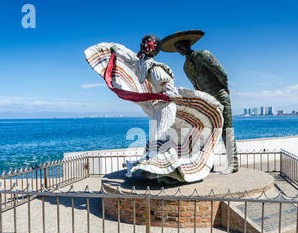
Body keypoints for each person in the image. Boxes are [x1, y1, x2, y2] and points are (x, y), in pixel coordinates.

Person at [84, 35, 224, 183]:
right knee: (161, 138)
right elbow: (167, 89)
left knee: (161, 138)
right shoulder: (154, 67)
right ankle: (161, 171)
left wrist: (116, 50)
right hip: (163, 107)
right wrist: (187, 97)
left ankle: (162, 171)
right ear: (156, 51)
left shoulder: (141, 65)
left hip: (161, 107)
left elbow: (129, 58)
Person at [160, 30, 239, 174]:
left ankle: (233, 164)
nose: (181, 49)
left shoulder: (203, 55)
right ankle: (208, 164)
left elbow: (222, 73)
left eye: (183, 45)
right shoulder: (186, 67)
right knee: (207, 132)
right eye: (178, 47)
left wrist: (225, 89)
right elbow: (195, 86)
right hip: (206, 100)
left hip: (219, 95)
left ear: (189, 44)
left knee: (227, 129)